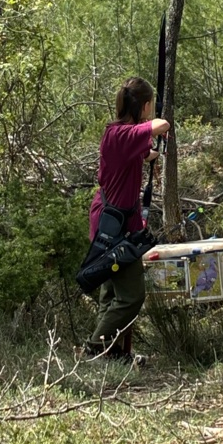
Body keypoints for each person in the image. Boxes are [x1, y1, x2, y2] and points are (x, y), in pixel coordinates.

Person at [83, 76, 170, 363]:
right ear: (144, 106)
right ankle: (96, 348)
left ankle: (115, 354)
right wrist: (158, 125)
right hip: (113, 228)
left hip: (114, 224)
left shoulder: (121, 136)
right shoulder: (120, 134)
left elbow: (141, 154)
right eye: (150, 104)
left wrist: (153, 153)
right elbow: (161, 125)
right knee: (131, 295)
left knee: (111, 292)